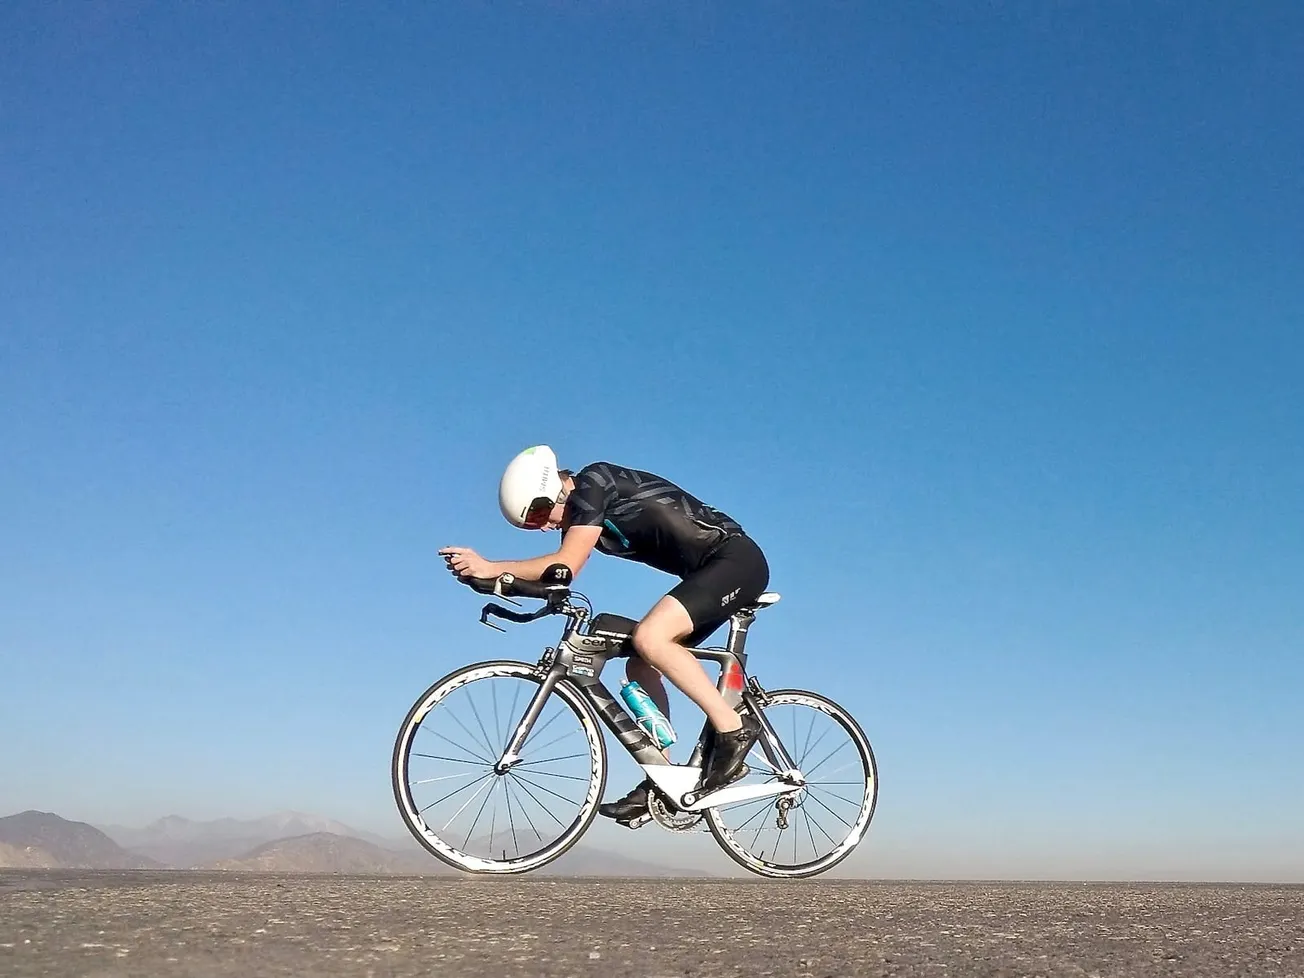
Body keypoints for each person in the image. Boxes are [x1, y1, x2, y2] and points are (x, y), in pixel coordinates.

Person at [439, 445, 770, 825]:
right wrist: (497, 583)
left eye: (540, 513)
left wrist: (490, 565)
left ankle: (734, 730)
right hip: (705, 574)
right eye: (533, 525)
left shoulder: (594, 482)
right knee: (641, 665)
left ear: (555, 488)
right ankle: (664, 778)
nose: (544, 526)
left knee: (651, 638)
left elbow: (565, 564)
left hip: (735, 560)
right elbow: (556, 577)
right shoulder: (586, 514)